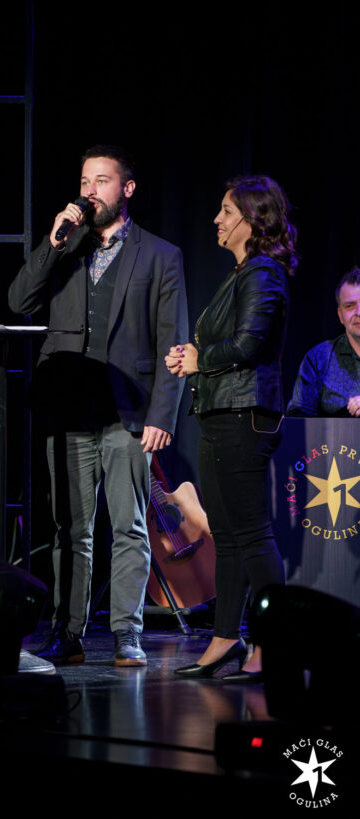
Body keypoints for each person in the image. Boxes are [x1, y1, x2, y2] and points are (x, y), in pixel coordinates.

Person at [9, 145, 188, 666]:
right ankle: (67, 633)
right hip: (67, 411)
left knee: (129, 527)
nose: (90, 192)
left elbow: (172, 340)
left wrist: (161, 416)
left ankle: (127, 634)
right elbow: (19, 302)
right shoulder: (66, 246)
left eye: (102, 181)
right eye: (85, 181)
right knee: (71, 529)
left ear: (126, 189)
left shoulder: (160, 255)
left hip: (127, 413)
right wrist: (51, 243)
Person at [166, 175, 298, 682]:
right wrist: (192, 355)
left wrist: (200, 360)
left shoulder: (264, 272)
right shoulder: (241, 273)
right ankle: (226, 638)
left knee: (253, 534)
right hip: (222, 413)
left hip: (245, 417)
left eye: (226, 211)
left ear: (252, 219)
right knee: (227, 534)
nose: (217, 220)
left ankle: (272, 643)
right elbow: (228, 343)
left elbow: (248, 344)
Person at [287, 267, 360, 417]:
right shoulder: (319, 358)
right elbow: (298, 420)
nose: (358, 312)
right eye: (349, 306)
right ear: (340, 315)